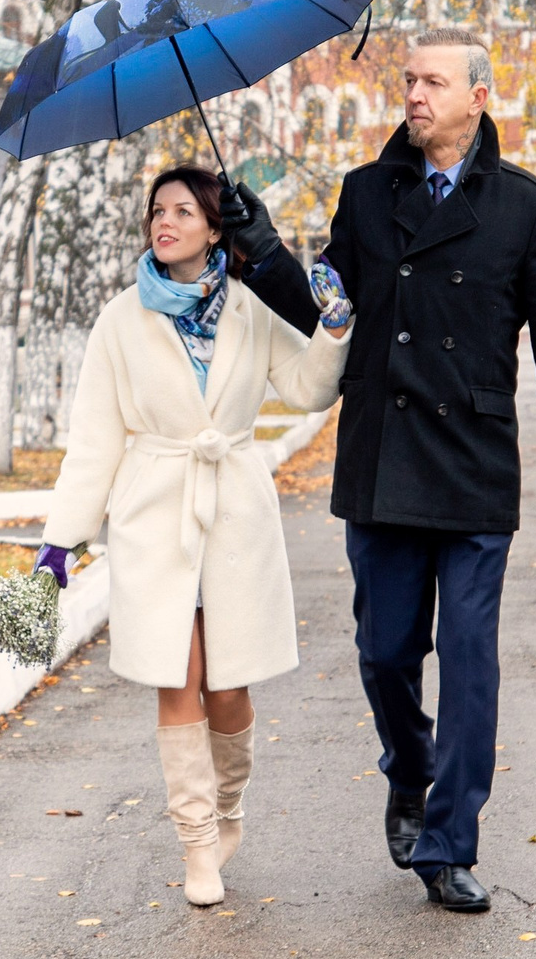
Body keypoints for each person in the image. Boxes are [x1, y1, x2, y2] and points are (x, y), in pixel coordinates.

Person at [221, 26, 536, 913]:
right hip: (383, 462)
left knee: (468, 661)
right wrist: (263, 252)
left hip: (472, 467)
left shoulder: (525, 207)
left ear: (478, 98)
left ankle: (451, 842)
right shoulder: (366, 193)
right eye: (408, 81)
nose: (415, 95)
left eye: (433, 82)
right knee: (386, 651)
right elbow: (328, 311)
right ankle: (409, 769)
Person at [33, 164, 353, 906]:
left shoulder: (248, 307)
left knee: (229, 687)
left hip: (234, 507)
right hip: (155, 515)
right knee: (178, 677)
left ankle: (228, 805)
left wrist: (334, 327)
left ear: (215, 227)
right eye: (157, 211)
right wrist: (61, 542)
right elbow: (95, 440)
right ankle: (197, 843)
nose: (165, 222)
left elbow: (308, 388)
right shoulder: (120, 319)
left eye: (183, 211)